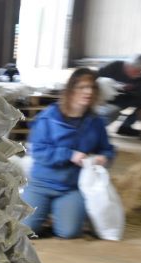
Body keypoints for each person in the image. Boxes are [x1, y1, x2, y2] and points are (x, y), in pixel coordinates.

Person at [22, 68, 115, 239]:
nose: (88, 91)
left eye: (92, 88)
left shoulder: (96, 122)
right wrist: (69, 155)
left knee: (69, 232)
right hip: (42, 183)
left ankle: (60, 214)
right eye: (82, 87)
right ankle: (44, 212)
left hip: (71, 187)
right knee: (26, 229)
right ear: (71, 90)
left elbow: (107, 149)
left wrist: (105, 158)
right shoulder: (48, 117)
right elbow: (38, 151)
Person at [97, 53, 141, 139]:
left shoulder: (139, 78)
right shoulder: (114, 66)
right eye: (137, 70)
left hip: (122, 100)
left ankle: (125, 127)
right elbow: (94, 80)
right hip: (103, 99)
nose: (139, 73)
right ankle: (96, 128)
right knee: (112, 111)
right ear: (129, 65)